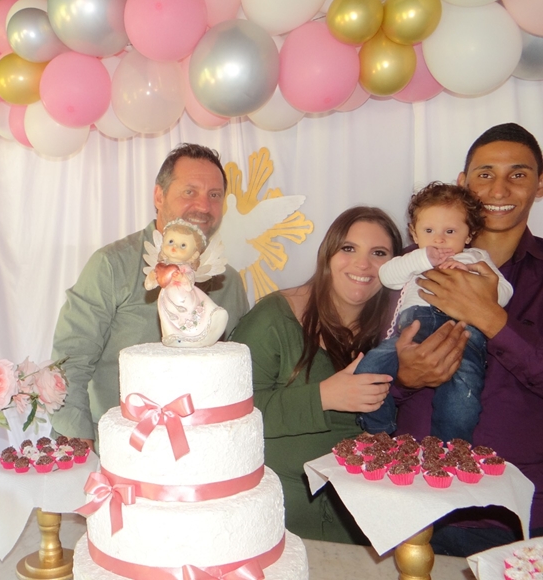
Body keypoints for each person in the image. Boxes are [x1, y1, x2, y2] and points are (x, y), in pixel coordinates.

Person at [391, 123, 543, 556]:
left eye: (518, 174)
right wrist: (404, 377)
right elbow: (368, 373)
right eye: (484, 173)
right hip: (416, 503)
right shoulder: (411, 267)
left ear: (539, 185)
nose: (499, 188)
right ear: (463, 182)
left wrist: (490, 318)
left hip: (514, 514)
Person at [50, 144, 250, 450]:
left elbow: (238, 372)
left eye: (214, 195)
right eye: (189, 192)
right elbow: (70, 361)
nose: (203, 206)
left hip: (203, 454)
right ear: (159, 196)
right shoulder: (112, 265)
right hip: (119, 451)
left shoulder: (228, 281)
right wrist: (78, 445)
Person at [231, 206, 402, 543]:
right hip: (280, 522)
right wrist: (324, 396)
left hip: (364, 520)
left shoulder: (397, 327)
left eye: (379, 253)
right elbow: (232, 415)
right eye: (349, 248)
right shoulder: (275, 317)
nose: (363, 264)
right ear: (327, 254)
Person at [357, 182, 513, 443]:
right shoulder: (413, 259)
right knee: (368, 368)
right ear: (414, 233)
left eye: (450, 231)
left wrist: (472, 279)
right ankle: (377, 430)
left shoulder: (476, 258)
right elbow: (387, 276)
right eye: (429, 231)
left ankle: (450, 447)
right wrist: (423, 259)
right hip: (412, 329)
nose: (439, 239)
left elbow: (505, 293)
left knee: (462, 395)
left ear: (469, 234)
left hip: (462, 333)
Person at [143, 218, 229, 347]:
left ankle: (196, 335)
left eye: (183, 245)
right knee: (170, 318)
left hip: (188, 299)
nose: (174, 247)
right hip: (168, 300)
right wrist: (151, 277)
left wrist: (182, 278)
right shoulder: (161, 267)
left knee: (191, 317)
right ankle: (174, 337)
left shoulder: (186, 269)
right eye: (170, 241)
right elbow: (149, 286)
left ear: (194, 254)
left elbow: (189, 286)